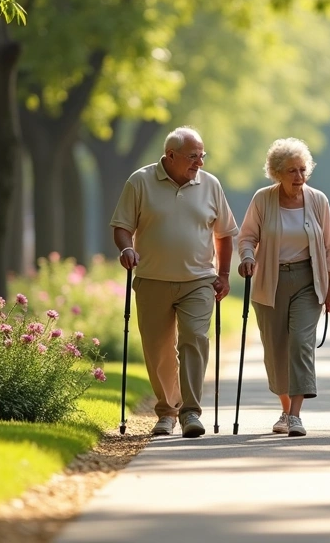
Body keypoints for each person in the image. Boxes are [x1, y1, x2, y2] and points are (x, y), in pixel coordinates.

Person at [111, 126, 238, 438]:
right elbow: (122, 225)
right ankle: (167, 412)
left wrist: (223, 275)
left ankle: (191, 412)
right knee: (158, 348)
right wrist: (126, 248)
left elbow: (224, 233)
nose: (200, 163)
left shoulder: (210, 185)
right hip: (152, 278)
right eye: (193, 156)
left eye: (202, 156)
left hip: (198, 280)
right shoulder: (140, 181)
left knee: (195, 338)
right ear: (170, 156)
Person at [237, 138, 330, 437]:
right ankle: (284, 409)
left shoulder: (318, 200)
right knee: (276, 350)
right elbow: (246, 237)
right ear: (277, 173)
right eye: (292, 171)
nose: (299, 177)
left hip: (309, 281)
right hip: (271, 281)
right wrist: (246, 257)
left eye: (303, 170)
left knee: (300, 343)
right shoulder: (262, 199)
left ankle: (295, 415)